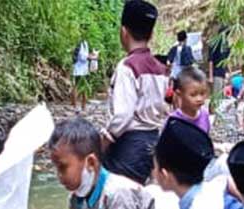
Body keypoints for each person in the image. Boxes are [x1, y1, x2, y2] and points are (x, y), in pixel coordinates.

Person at [48, 118, 175, 209]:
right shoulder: (75, 200)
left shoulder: (116, 195)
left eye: (63, 167)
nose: (59, 175)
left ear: (91, 162)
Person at [102, 0, 169, 185]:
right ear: (152, 34)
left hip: (129, 145)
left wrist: (104, 142)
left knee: (118, 199)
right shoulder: (160, 68)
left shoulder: (127, 66)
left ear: (123, 32)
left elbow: (123, 115)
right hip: (153, 142)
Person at [170, 66, 212, 133]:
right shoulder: (173, 121)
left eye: (202, 93)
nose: (199, 99)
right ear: (180, 94)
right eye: (193, 95)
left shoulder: (205, 114)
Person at [208, 27, 232, 99]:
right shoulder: (214, 45)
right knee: (216, 96)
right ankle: (214, 109)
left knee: (221, 95)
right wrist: (211, 76)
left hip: (223, 73)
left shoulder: (226, 45)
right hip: (217, 73)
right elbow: (211, 61)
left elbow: (227, 60)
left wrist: (230, 73)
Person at [72, 39, 93, 111]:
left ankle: (83, 106)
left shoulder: (85, 43)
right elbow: (81, 57)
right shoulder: (80, 43)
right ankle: (75, 106)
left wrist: (90, 56)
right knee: (77, 87)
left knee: (84, 88)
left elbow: (85, 55)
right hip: (79, 70)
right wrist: (90, 57)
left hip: (84, 70)